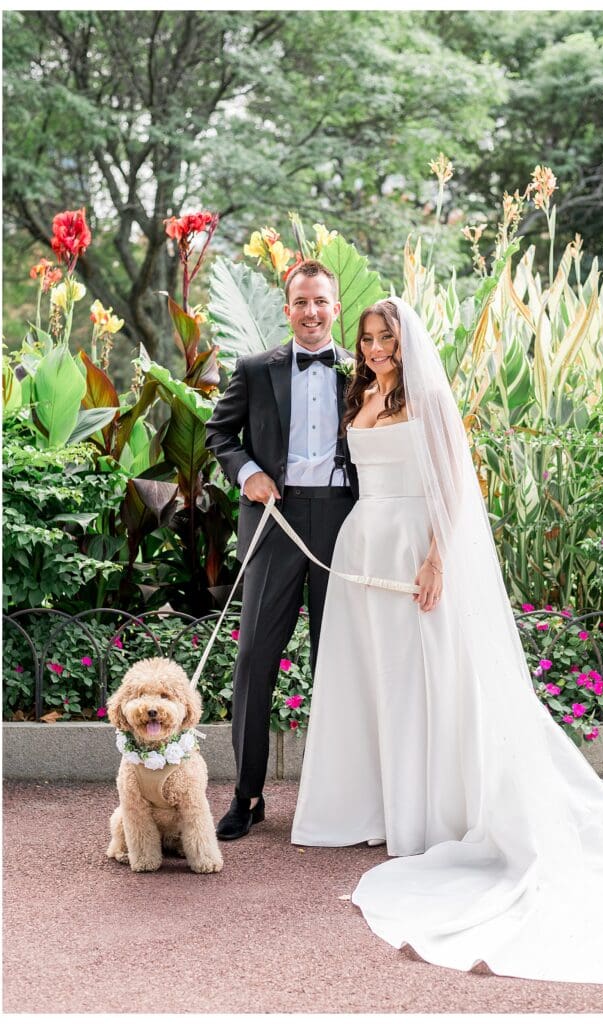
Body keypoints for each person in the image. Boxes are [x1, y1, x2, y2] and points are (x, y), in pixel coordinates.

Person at [291, 297, 603, 986]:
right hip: (362, 548)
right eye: (368, 339)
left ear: (407, 342)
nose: (376, 349)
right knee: (367, 680)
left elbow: (454, 483)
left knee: (420, 679)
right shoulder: (359, 395)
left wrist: (438, 556)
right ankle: (371, 806)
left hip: (413, 548)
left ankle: (424, 815)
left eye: (387, 338)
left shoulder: (428, 397)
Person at [205, 260, 357, 840]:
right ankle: (247, 795)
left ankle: (337, 794)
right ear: (286, 308)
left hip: (345, 524)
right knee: (253, 660)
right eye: (301, 302)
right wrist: (246, 473)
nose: (311, 312)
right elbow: (220, 433)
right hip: (274, 521)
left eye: (321, 301)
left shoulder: (362, 371)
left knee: (337, 661)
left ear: (334, 308)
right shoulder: (253, 370)